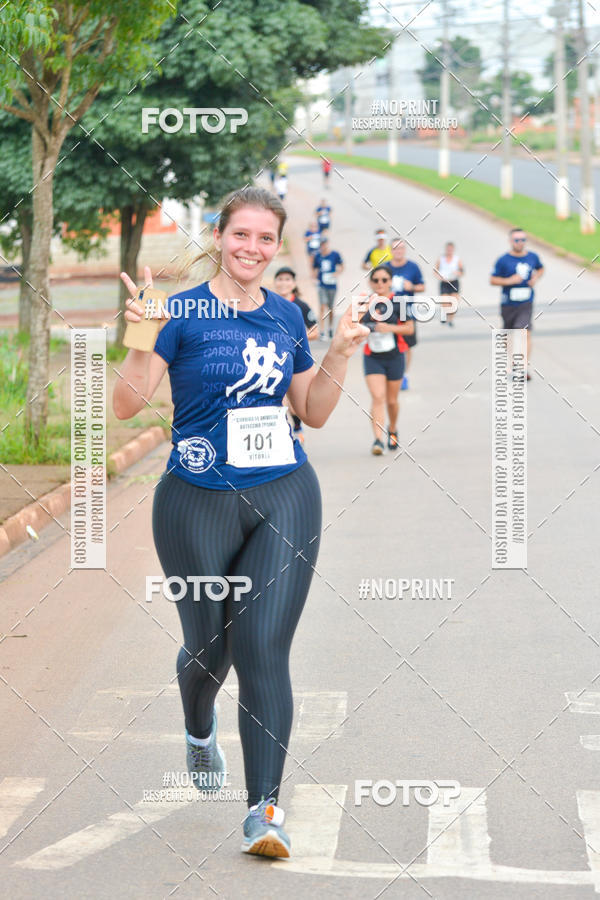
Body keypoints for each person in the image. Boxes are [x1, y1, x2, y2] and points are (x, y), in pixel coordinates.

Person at [113, 186, 369, 860]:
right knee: (209, 649)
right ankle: (199, 727)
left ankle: (265, 811)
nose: (252, 248)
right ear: (219, 235)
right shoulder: (179, 312)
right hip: (195, 499)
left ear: (275, 246)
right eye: (241, 235)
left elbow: (311, 411)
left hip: (285, 492)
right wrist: (139, 332)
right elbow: (127, 403)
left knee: (261, 649)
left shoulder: (286, 316)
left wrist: (339, 351)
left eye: (265, 239)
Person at [361, 265, 414, 454]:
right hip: (372, 357)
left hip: (394, 356)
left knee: (391, 401)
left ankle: (392, 429)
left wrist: (388, 328)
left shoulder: (398, 303)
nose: (380, 283)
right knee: (377, 397)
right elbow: (353, 326)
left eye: (384, 280)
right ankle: (377, 440)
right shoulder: (364, 303)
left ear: (390, 282)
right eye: (376, 280)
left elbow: (409, 329)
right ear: (370, 282)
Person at [274, 266, 319, 444]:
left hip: (295, 360)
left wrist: (293, 339)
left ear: (293, 284)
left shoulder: (300, 306)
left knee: (293, 401)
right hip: (274, 359)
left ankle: (298, 429)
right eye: (280, 279)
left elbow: (315, 332)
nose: (283, 283)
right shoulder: (268, 303)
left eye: (287, 279)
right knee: (279, 398)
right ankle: (281, 433)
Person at [490, 227, 543, 379]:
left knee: (524, 332)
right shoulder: (503, 260)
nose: (520, 243)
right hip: (508, 303)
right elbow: (493, 279)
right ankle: (515, 362)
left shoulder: (533, 257)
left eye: (523, 240)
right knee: (508, 334)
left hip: (526, 302)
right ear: (510, 241)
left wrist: (536, 278)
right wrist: (509, 281)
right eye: (517, 240)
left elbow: (540, 269)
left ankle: (523, 367)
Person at [387, 238, 425, 390]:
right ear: (391, 250)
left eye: (401, 248)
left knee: (407, 346)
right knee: (391, 345)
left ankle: (404, 375)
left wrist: (412, 286)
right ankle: (392, 375)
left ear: (405, 250)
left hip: (407, 312)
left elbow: (422, 286)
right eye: (395, 248)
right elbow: (377, 286)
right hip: (389, 312)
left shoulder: (413, 267)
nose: (399, 251)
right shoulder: (385, 268)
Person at [312, 233, 343, 340]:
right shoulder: (317, 256)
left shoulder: (334, 254)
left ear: (327, 244)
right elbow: (315, 268)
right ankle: (321, 331)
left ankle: (330, 328)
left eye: (324, 244)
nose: (323, 246)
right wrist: (315, 277)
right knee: (322, 306)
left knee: (330, 308)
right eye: (321, 244)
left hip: (332, 284)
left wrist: (337, 273)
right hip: (322, 284)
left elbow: (341, 266)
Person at [435, 241, 463, 327]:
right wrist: (439, 277)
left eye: (451, 249)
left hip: (454, 282)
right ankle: (444, 314)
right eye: (448, 249)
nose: (449, 251)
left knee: (453, 302)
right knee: (445, 302)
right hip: (444, 282)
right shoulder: (441, 259)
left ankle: (450, 319)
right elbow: (435, 270)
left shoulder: (456, 259)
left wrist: (458, 273)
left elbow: (462, 270)